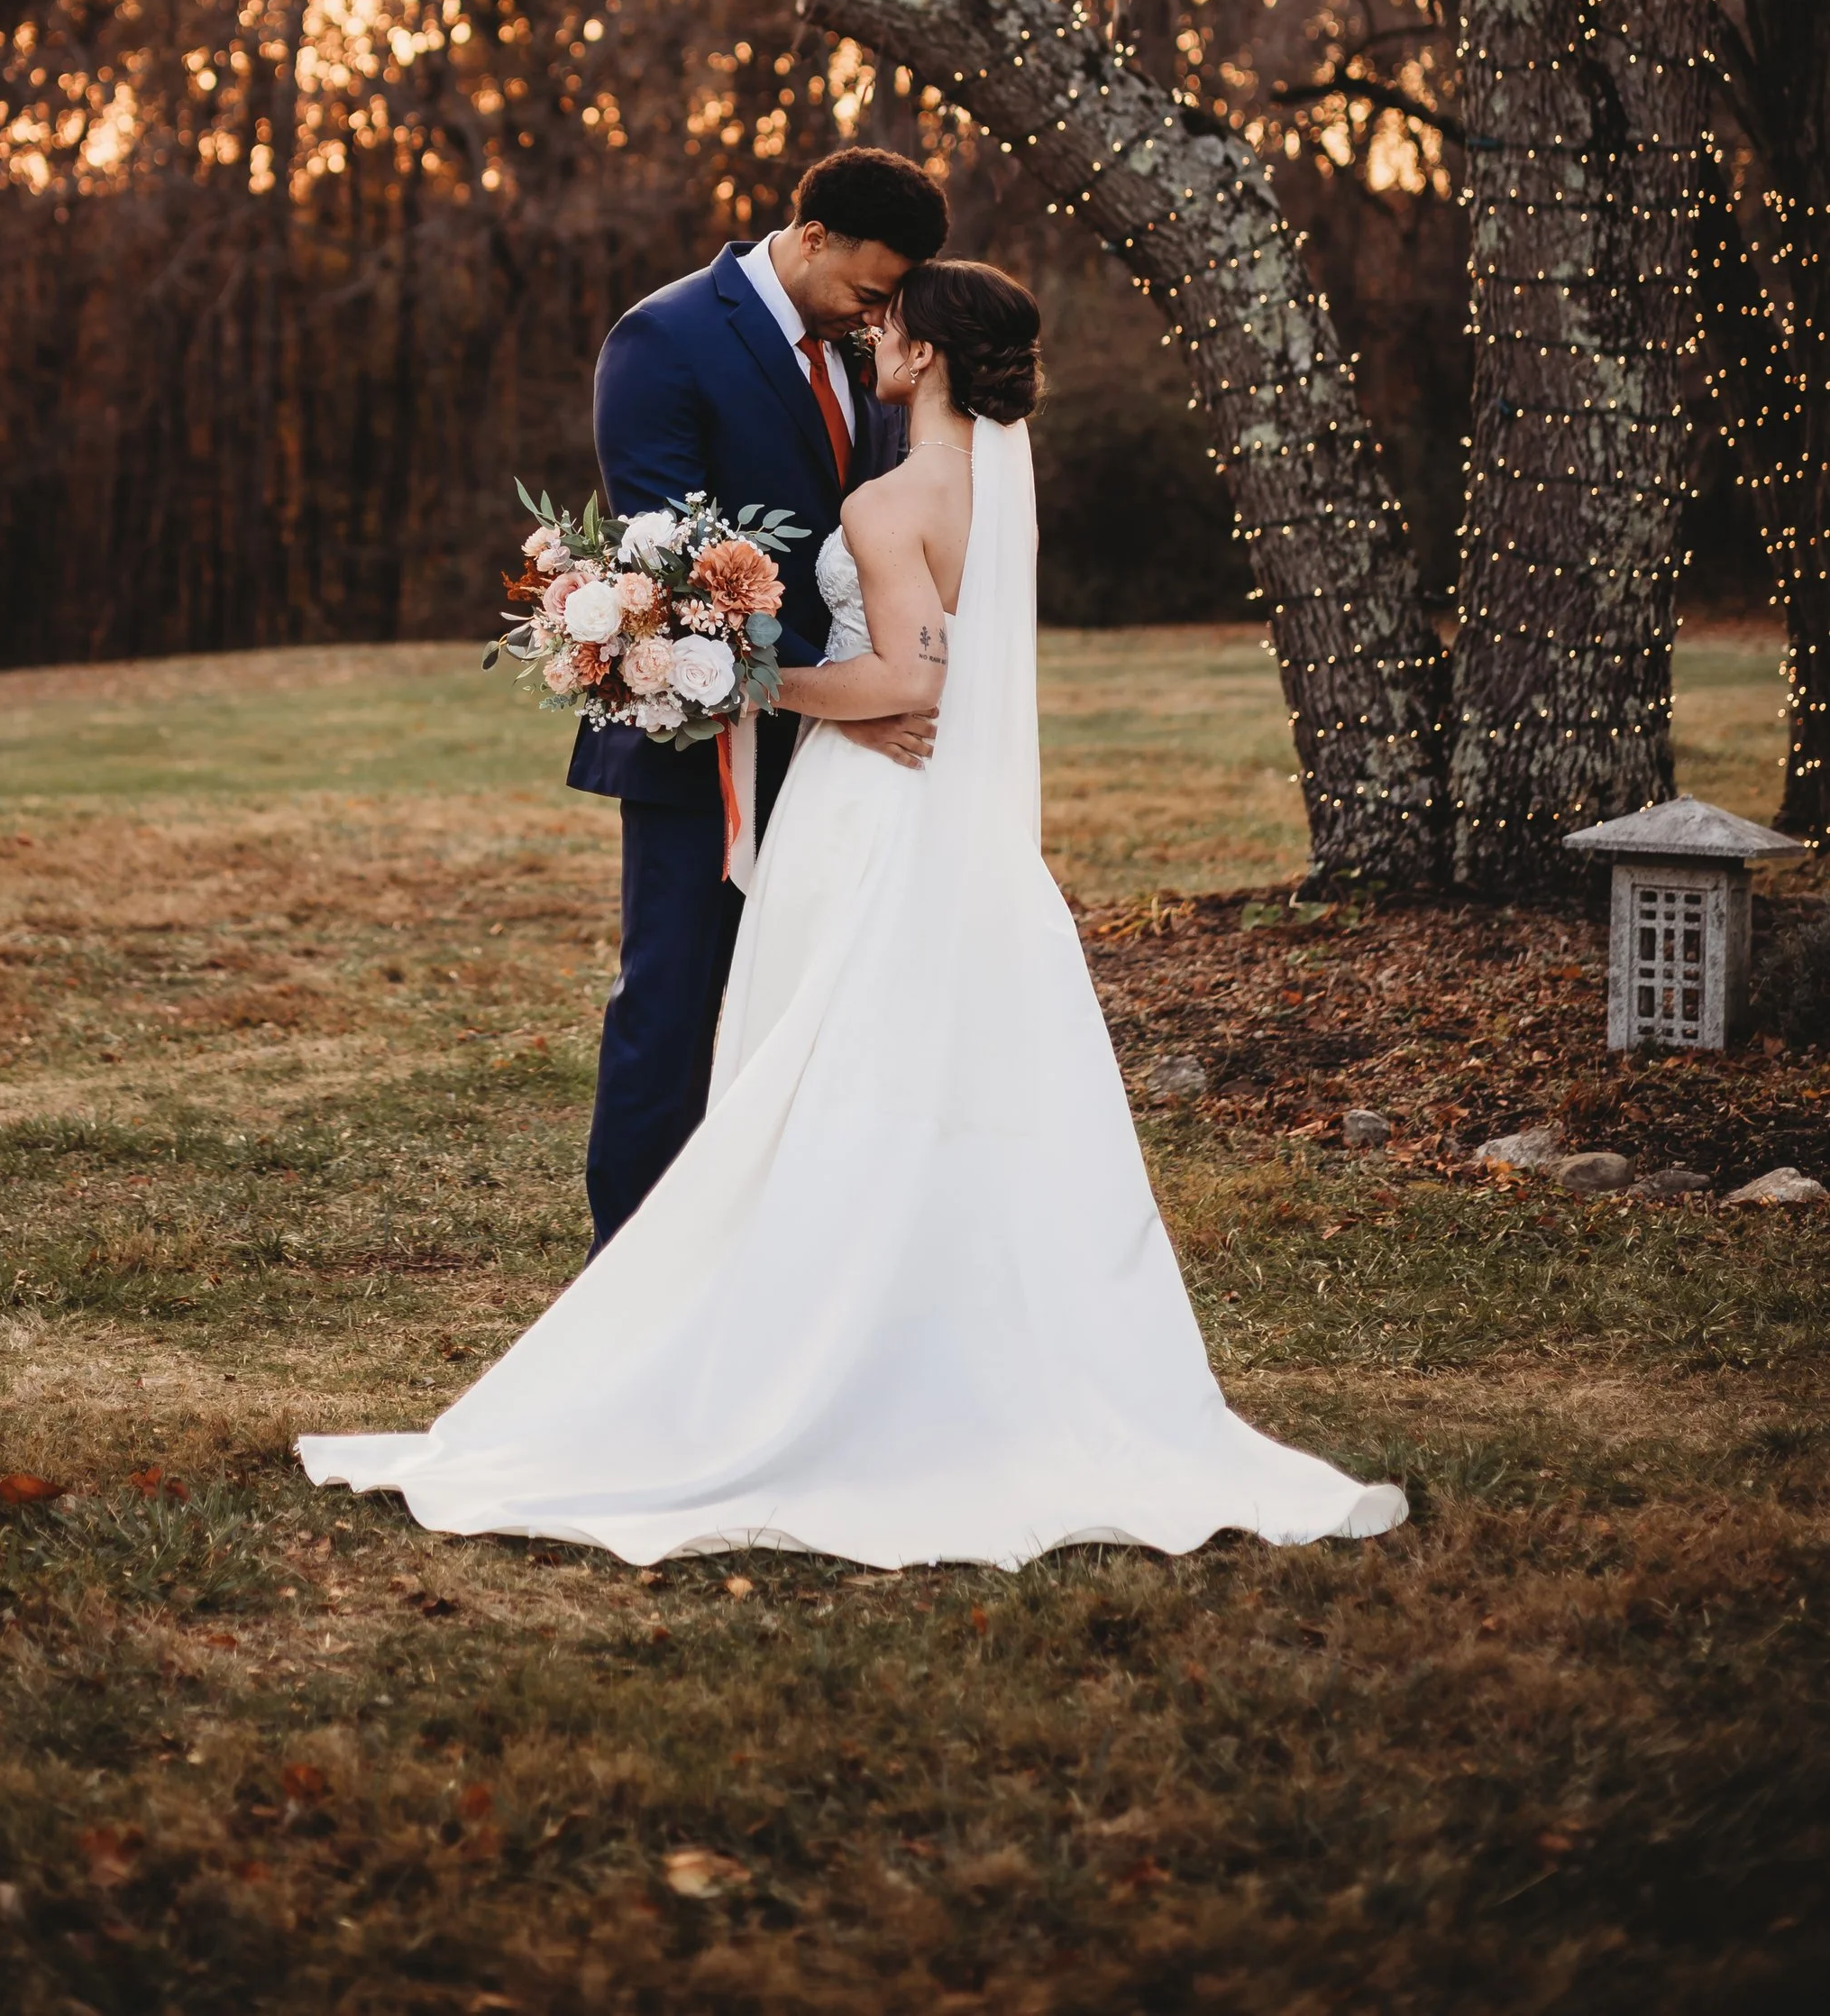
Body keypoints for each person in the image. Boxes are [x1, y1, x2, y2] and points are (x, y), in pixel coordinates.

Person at [297, 258, 1408, 1570]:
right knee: (917, 1087)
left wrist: (734, 671)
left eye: (891, 322)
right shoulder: (993, 488)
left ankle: (800, 1356)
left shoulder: (891, 499)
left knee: (819, 1077)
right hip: (951, 828)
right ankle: (931, 1345)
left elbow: (899, 687)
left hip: (870, 819)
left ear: (929, 353)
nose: (874, 334)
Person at [565, 145, 949, 1252]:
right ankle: (630, 1273)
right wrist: (838, 699)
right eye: (869, 291)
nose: (880, 317)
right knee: (673, 1007)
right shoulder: (665, 338)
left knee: (810, 1013)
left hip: (848, 760)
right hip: (703, 745)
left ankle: (770, 1263)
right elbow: (669, 573)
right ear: (812, 234)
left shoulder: (864, 354)